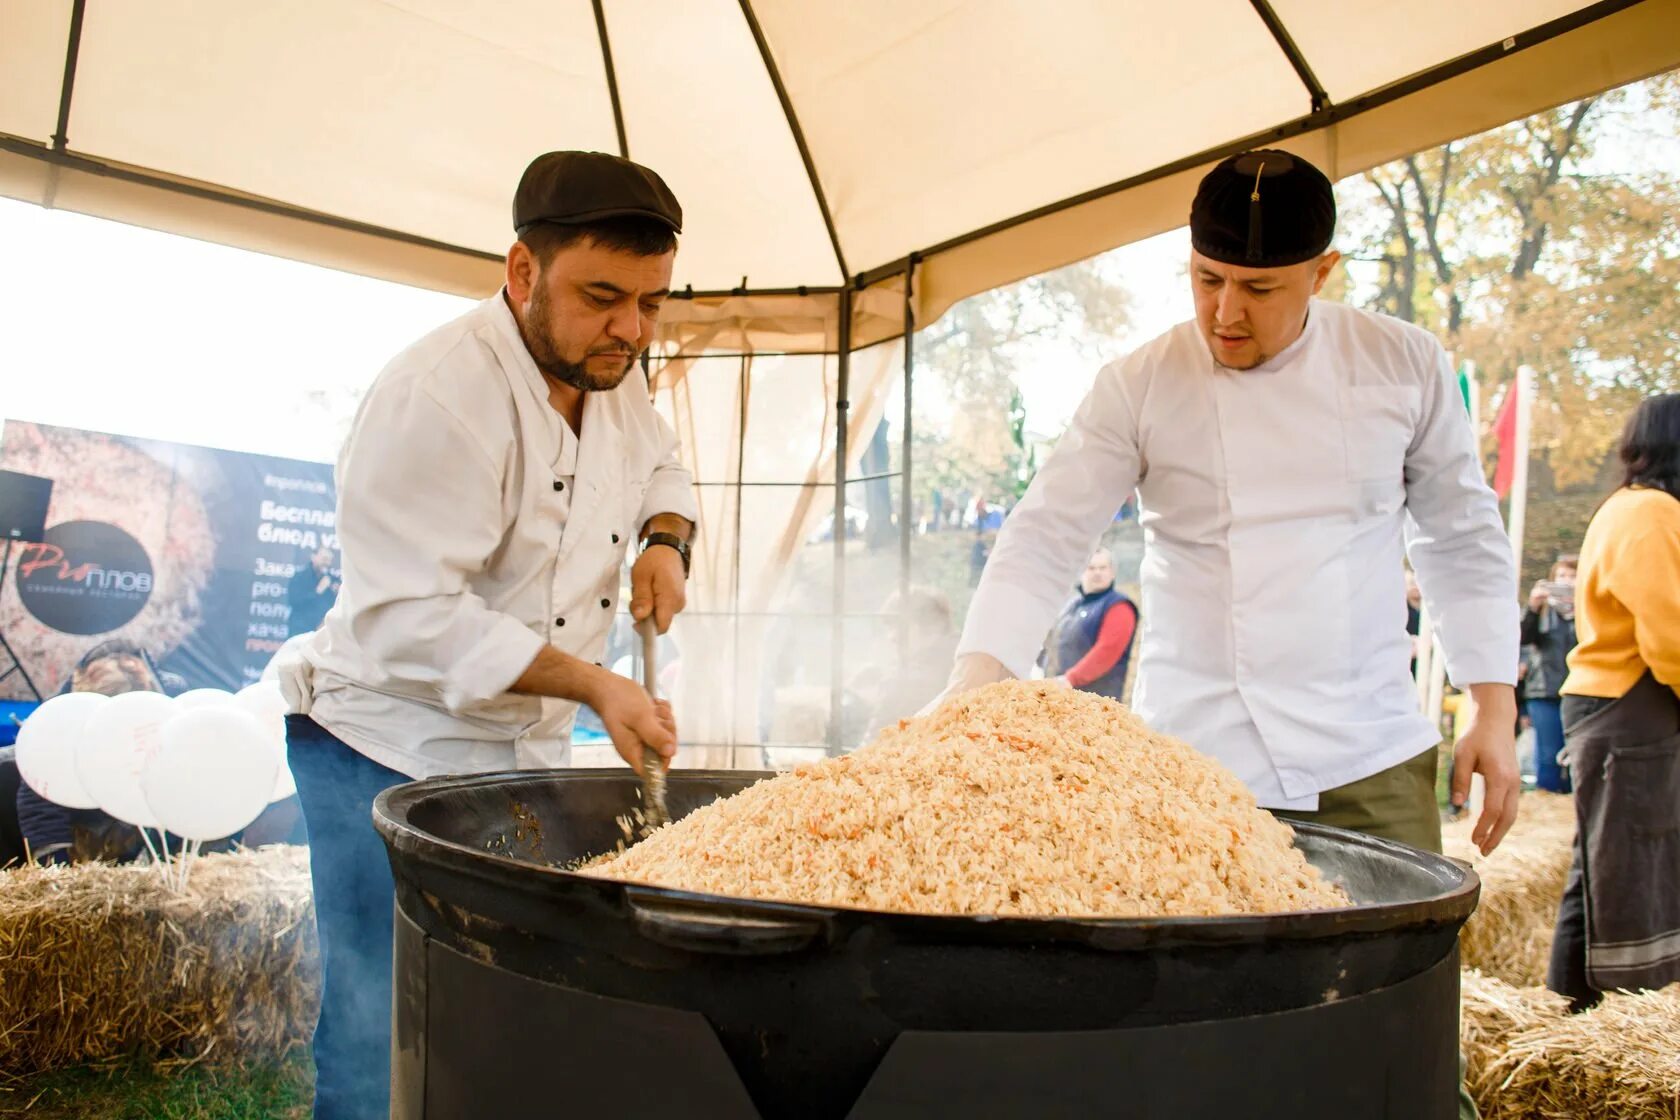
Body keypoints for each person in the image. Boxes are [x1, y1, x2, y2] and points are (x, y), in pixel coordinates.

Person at [943, 150, 1517, 1118]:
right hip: (1193, 765)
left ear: (1323, 273)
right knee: (1196, 1054)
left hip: (1367, 756)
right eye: (1207, 280)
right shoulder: (1141, 381)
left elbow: (1462, 534)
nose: (1225, 314)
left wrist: (1495, 705)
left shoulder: (1403, 365)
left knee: (1394, 1051)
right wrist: (973, 679)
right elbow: (1047, 532)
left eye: (1259, 288)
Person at [274, 151, 697, 1119]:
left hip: (516, 751)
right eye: (602, 296)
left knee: (492, 1001)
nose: (630, 330)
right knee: (381, 1020)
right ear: (522, 273)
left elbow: (663, 470)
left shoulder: (613, 372)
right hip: (380, 745)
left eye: (652, 302)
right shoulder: (436, 396)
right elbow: (407, 615)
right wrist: (594, 684)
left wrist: (664, 542)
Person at [1547, 393, 1680, 1013]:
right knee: (1627, 860)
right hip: (1628, 704)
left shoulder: (1635, 508)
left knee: (1599, 865)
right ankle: (1607, 1006)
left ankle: (1572, 1007)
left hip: (1616, 703)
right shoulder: (1651, 513)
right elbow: (1670, 631)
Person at [1043, 547, 1138, 701]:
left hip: (1096, 703)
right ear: (1081, 572)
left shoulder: (1118, 606)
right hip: (1061, 697)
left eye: (1103, 568)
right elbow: (1051, 643)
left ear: (1112, 573)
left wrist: (1070, 679)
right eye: (1091, 568)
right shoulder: (1070, 605)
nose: (1097, 573)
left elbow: (1106, 651)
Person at [1520, 555, 1578, 794]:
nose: (1566, 581)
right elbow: (1523, 638)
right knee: (1547, 754)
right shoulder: (1542, 610)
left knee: (1578, 754)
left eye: (1572, 576)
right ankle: (1547, 797)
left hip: (1578, 690)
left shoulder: (1591, 607)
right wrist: (1533, 607)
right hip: (1544, 689)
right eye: (1561, 576)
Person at [286, 546, 340, 636]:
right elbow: (294, 602)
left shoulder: (333, 580)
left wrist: (338, 594)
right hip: (301, 630)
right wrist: (318, 591)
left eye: (329, 560)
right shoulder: (299, 577)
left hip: (323, 631)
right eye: (324, 559)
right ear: (313, 557)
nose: (327, 563)